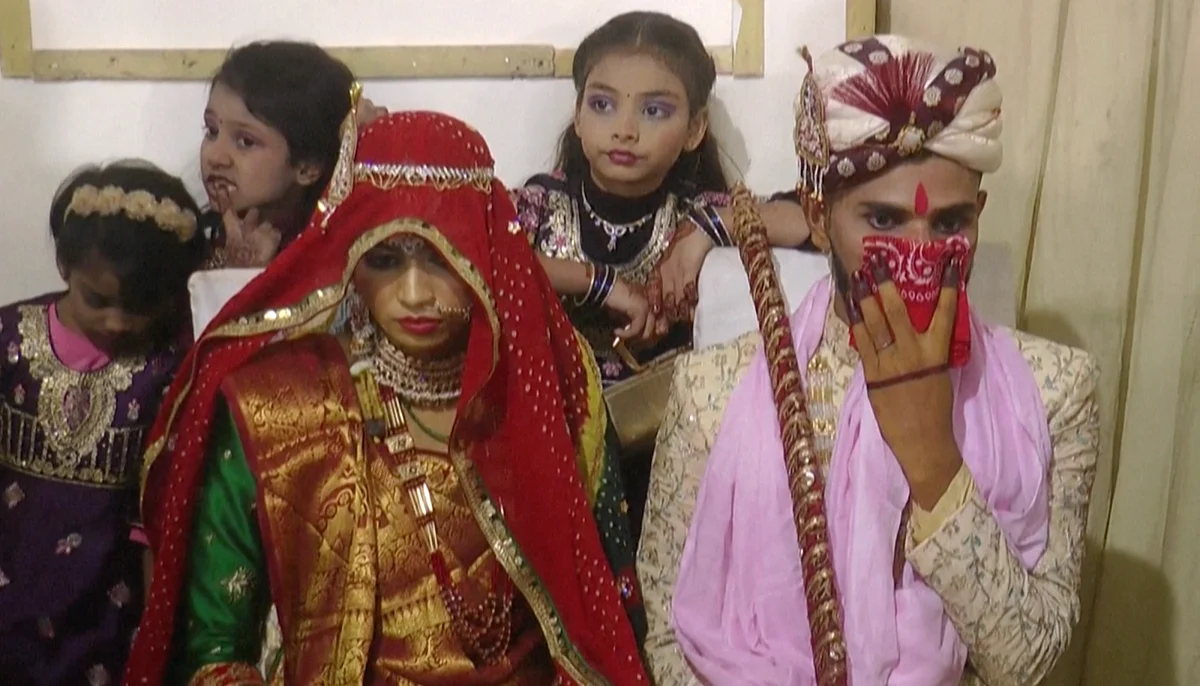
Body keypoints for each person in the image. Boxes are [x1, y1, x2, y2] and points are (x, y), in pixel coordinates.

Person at [124, 110, 649, 685]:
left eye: (443, 257)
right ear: (350, 259)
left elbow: (606, 614)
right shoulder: (278, 407)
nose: (415, 294)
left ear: (485, 253)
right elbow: (214, 651)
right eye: (385, 260)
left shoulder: (545, 388)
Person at [637, 35, 1100, 685]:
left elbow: (1027, 659)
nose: (919, 255)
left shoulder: (1057, 391)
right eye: (882, 220)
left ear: (978, 217)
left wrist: (933, 458)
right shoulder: (712, 390)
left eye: (949, 224)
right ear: (819, 218)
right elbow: (669, 637)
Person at [513, 11, 809, 537]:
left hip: (668, 460)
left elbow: (816, 220)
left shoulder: (692, 213)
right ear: (578, 116)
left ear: (695, 129)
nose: (625, 129)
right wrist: (599, 282)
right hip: (557, 447)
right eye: (602, 104)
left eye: (654, 110)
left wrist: (710, 229)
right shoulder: (542, 204)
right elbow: (476, 258)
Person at [0, 160, 206, 685]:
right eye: (98, 300)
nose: (116, 321)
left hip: (105, 617)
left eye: (140, 307)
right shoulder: (9, 339)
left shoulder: (166, 368)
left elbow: (155, 511)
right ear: (64, 265)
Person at [199, 41, 385, 269]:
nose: (214, 157)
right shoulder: (190, 238)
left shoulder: (338, 258)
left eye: (246, 142)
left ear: (307, 167)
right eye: (211, 131)